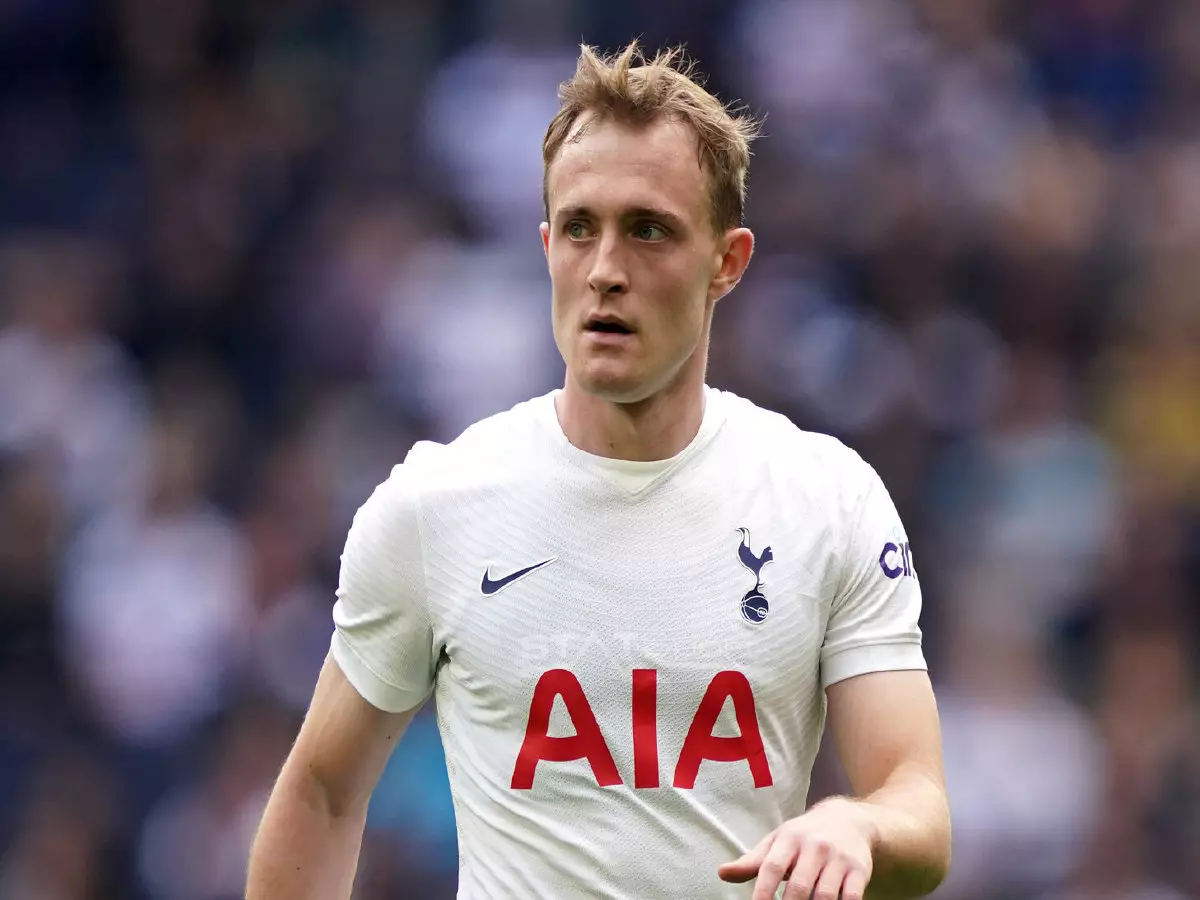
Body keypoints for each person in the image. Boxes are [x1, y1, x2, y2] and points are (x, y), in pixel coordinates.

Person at [246, 41, 952, 900]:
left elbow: (918, 806)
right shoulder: (435, 506)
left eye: (648, 230)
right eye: (580, 228)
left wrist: (857, 822)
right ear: (547, 246)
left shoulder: (827, 501)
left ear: (727, 264)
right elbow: (321, 792)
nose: (606, 270)